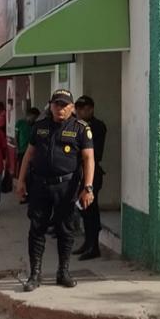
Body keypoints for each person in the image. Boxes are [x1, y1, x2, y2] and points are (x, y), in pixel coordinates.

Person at [15, 89, 96, 292]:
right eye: (56, 104)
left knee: (65, 230)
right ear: (50, 105)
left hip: (66, 187)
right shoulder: (39, 127)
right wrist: (20, 180)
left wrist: (88, 187)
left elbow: (88, 159)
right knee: (36, 229)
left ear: (71, 107)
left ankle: (63, 272)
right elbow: (29, 154)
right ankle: (35, 274)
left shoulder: (80, 128)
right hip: (40, 185)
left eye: (65, 105)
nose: (60, 108)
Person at [73, 95, 107, 260]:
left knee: (91, 210)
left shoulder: (97, 126)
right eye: (79, 109)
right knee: (84, 210)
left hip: (92, 173)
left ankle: (94, 245)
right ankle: (88, 242)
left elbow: (95, 153)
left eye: (85, 109)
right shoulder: (77, 125)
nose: (81, 112)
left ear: (91, 109)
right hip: (80, 173)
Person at [14, 107, 40, 178]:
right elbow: (16, 137)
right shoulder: (20, 123)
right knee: (21, 168)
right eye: (33, 117)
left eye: (36, 118)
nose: (34, 119)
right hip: (22, 150)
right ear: (29, 115)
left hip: (32, 151)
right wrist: (17, 148)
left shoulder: (35, 125)